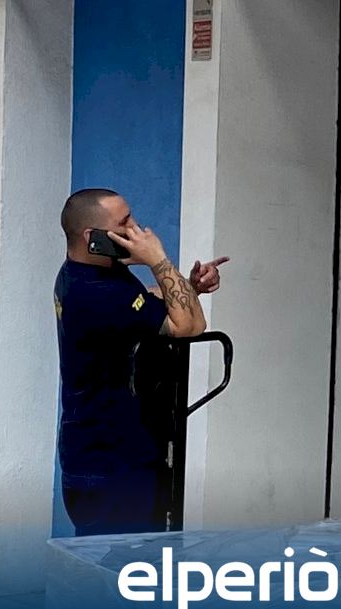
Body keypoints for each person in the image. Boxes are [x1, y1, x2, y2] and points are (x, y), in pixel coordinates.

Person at [53, 188, 228, 535]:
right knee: (122, 564)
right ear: (92, 237)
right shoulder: (93, 293)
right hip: (109, 468)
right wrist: (158, 259)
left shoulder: (93, 271)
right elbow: (189, 325)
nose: (136, 229)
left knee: (137, 559)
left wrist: (187, 287)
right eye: (124, 223)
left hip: (117, 457)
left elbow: (142, 301)